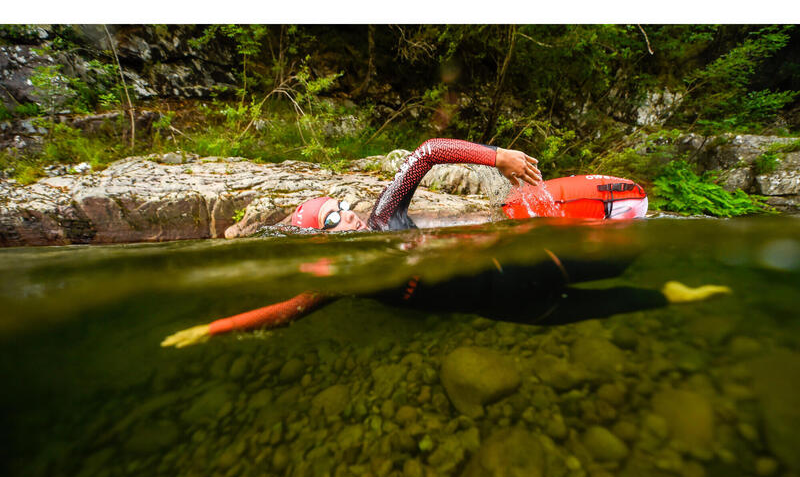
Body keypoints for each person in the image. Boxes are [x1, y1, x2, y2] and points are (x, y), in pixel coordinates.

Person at [162, 138, 731, 348]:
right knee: (590, 307)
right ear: (324, 248)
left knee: (606, 270)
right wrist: (213, 328)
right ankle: (670, 295)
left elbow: (428, 153)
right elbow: (286, 312)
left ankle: (655, 277)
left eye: (339, 209)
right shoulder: (342, 280)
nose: (347, 219)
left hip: (523, 267)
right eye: (334, 221)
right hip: (512, 306)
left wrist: (499, 158)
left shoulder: (385, 218)